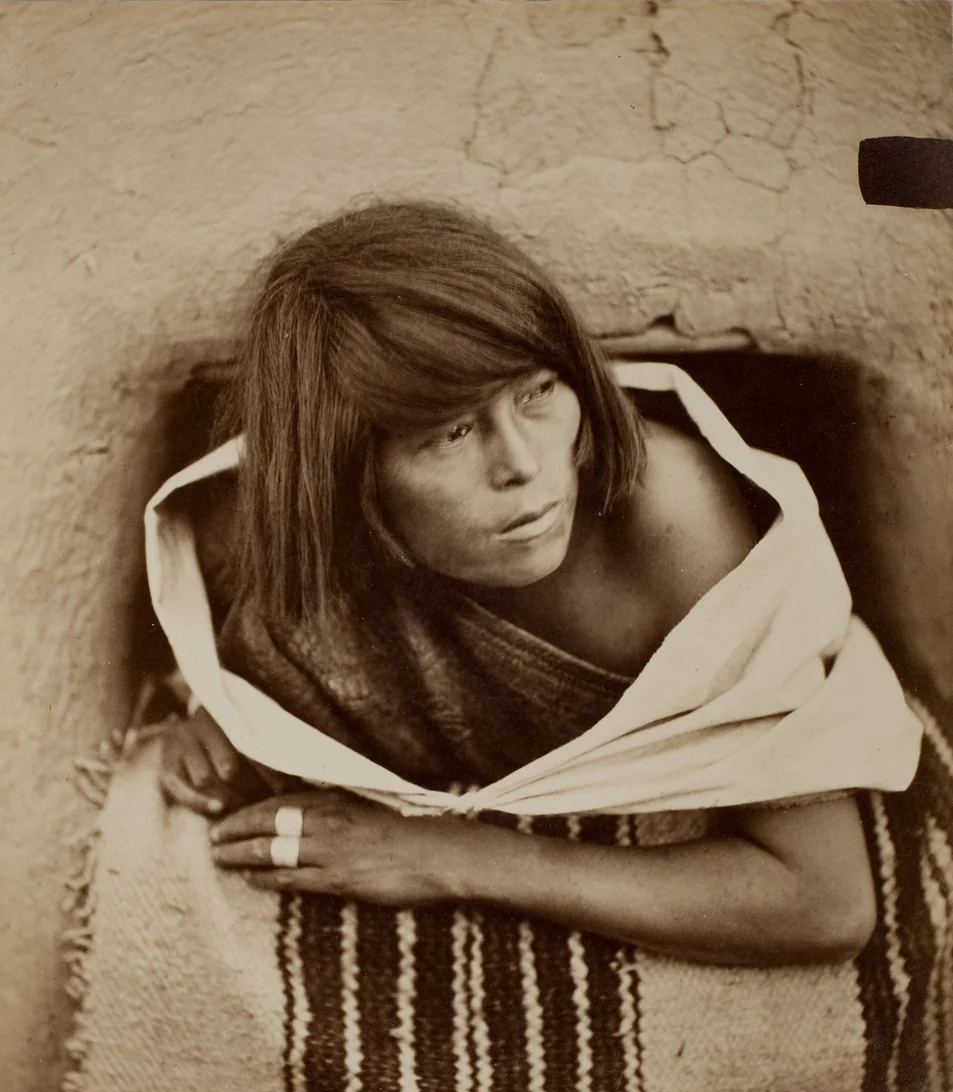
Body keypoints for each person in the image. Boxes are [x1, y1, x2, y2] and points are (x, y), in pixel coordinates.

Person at [158, 199, 883, 969]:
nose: (526, 467)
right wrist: (225, 708)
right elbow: (240, 647)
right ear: (341, 470)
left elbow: (824, 900)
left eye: (538, 391)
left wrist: (445, 857)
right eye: (453, 433)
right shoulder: (258, 533)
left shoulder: (666, 519)